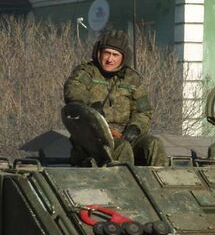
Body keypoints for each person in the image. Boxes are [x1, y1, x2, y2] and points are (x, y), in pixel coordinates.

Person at [62, 28, 168, 166]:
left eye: (115, 55)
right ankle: (127, 186)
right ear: (99, 53)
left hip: (125, 134)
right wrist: (91, 108)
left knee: (154, 144)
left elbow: (143, 112)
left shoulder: (132, 79)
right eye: (107, 53)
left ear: (123, 58)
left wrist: (135, 128)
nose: (110, 59)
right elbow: (73, 89)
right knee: (122, 148)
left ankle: (156, 186)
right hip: (93, 138)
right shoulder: (88, 72)